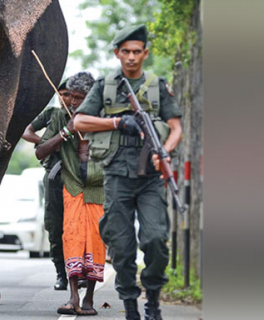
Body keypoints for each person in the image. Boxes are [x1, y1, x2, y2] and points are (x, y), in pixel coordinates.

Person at [74, 24, 183, 320]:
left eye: (137, 52)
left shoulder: (158, 86)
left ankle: (154, 303)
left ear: (145, 53)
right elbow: (80, 122)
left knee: (156, 240)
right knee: (122, 246)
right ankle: (131, 304)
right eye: (126, 52)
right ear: (117, 53)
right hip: (117, 176)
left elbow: (175, 128)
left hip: (150, 178)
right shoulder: (105, 86)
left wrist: (166, 153)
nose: (132, 57)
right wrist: (117, 123)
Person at [35, 72, 103, 315]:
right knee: (71, 236)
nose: (73, 102)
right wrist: (67, 131)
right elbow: (40, 151)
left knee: (95, 240)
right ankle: (73, 297)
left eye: (79, 97)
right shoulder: (58, 116)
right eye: (71, 97)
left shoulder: (103, 116)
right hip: (71, 184)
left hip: (97, 188)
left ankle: (89, 300)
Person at [22, 79, 71, 291]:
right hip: (54, 175)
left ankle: (83, 271)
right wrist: (46, 142)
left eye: (70, 94)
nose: (65, 99)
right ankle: (61, 274)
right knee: (54, 226)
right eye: (62, 94)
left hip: (79, 175)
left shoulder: (84, 116)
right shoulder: (52, 114)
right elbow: (27, 131)